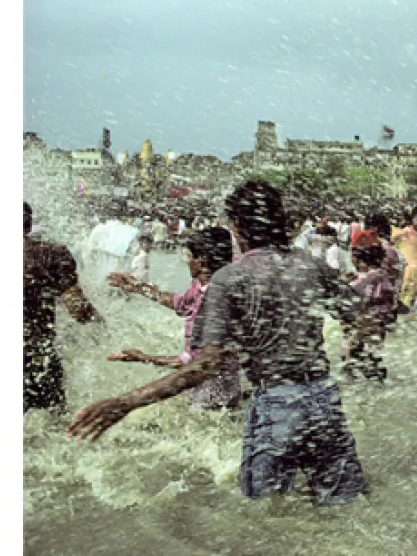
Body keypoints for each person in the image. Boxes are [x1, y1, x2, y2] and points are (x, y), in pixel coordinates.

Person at [68, 181, 370, 506]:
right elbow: (359, 314)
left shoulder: (229, 279)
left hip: (277, 404)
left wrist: (126, 402)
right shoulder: (310, 265)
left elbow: (205, 364)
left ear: (238, 227)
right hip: (324, 399)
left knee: (266, 516)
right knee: (344, 506)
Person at [105, 227, 242, 409]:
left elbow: (194, 363)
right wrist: (140, 288)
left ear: (201, 262)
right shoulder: (201, 285)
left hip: (213, 394)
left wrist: (142, 357)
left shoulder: (215, 300)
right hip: (211, 387)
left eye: (190, 256)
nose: (187, 261)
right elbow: (181, 304)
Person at [24, 202, 100, 413]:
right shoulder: (50, 253)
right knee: (50, 428)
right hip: (37, 355)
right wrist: (102, 326)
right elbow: (78, 309)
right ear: (29, 225)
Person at [343, 228, 403, 382]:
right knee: (375, 370)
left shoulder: (359, 284)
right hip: (376, 338)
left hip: (357, 342)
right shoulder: (386, 279)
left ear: (357, 256)